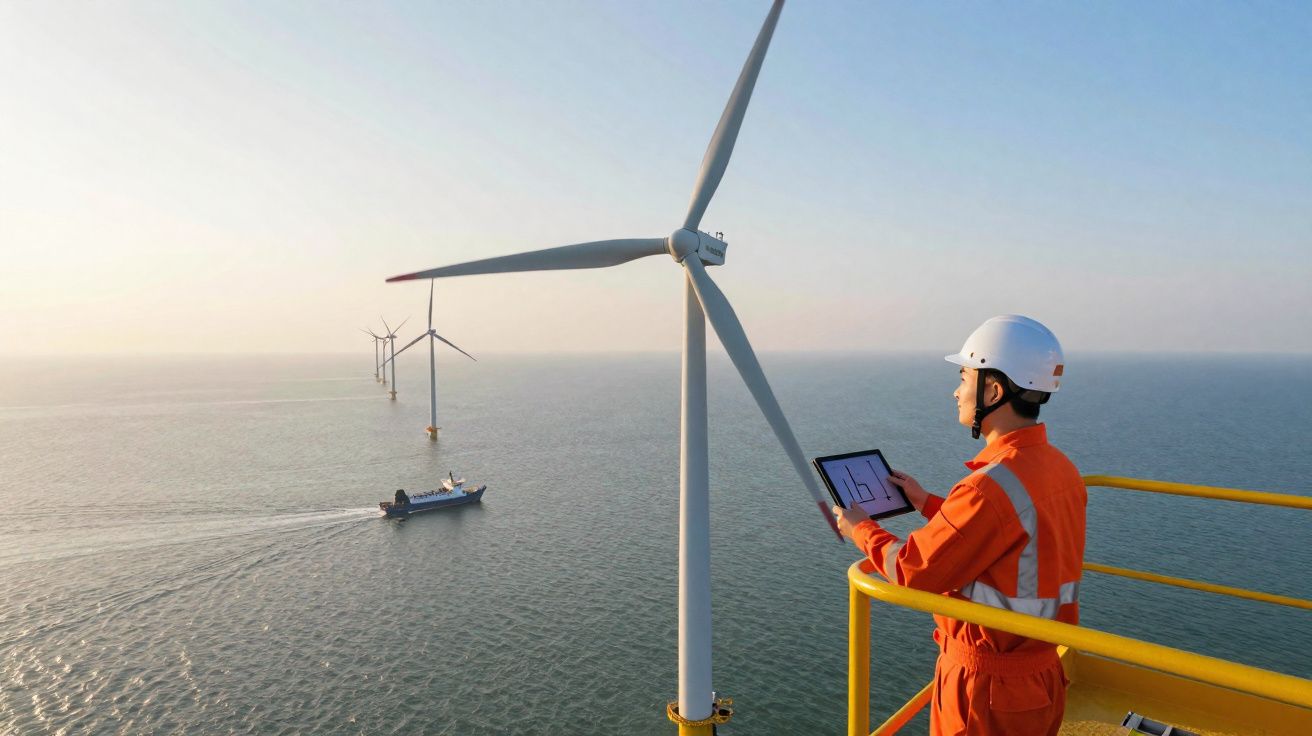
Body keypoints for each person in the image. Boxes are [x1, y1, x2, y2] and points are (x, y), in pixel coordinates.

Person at [832, 315, 1085, 736]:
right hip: (1041, 677)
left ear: (993, 390)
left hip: (986, 691)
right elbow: (1006, 533)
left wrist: (860, 528)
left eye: (964, 377)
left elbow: (913, 570)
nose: (956, 391)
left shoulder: (990, 487)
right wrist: (927, 503)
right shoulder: (1061, 469)